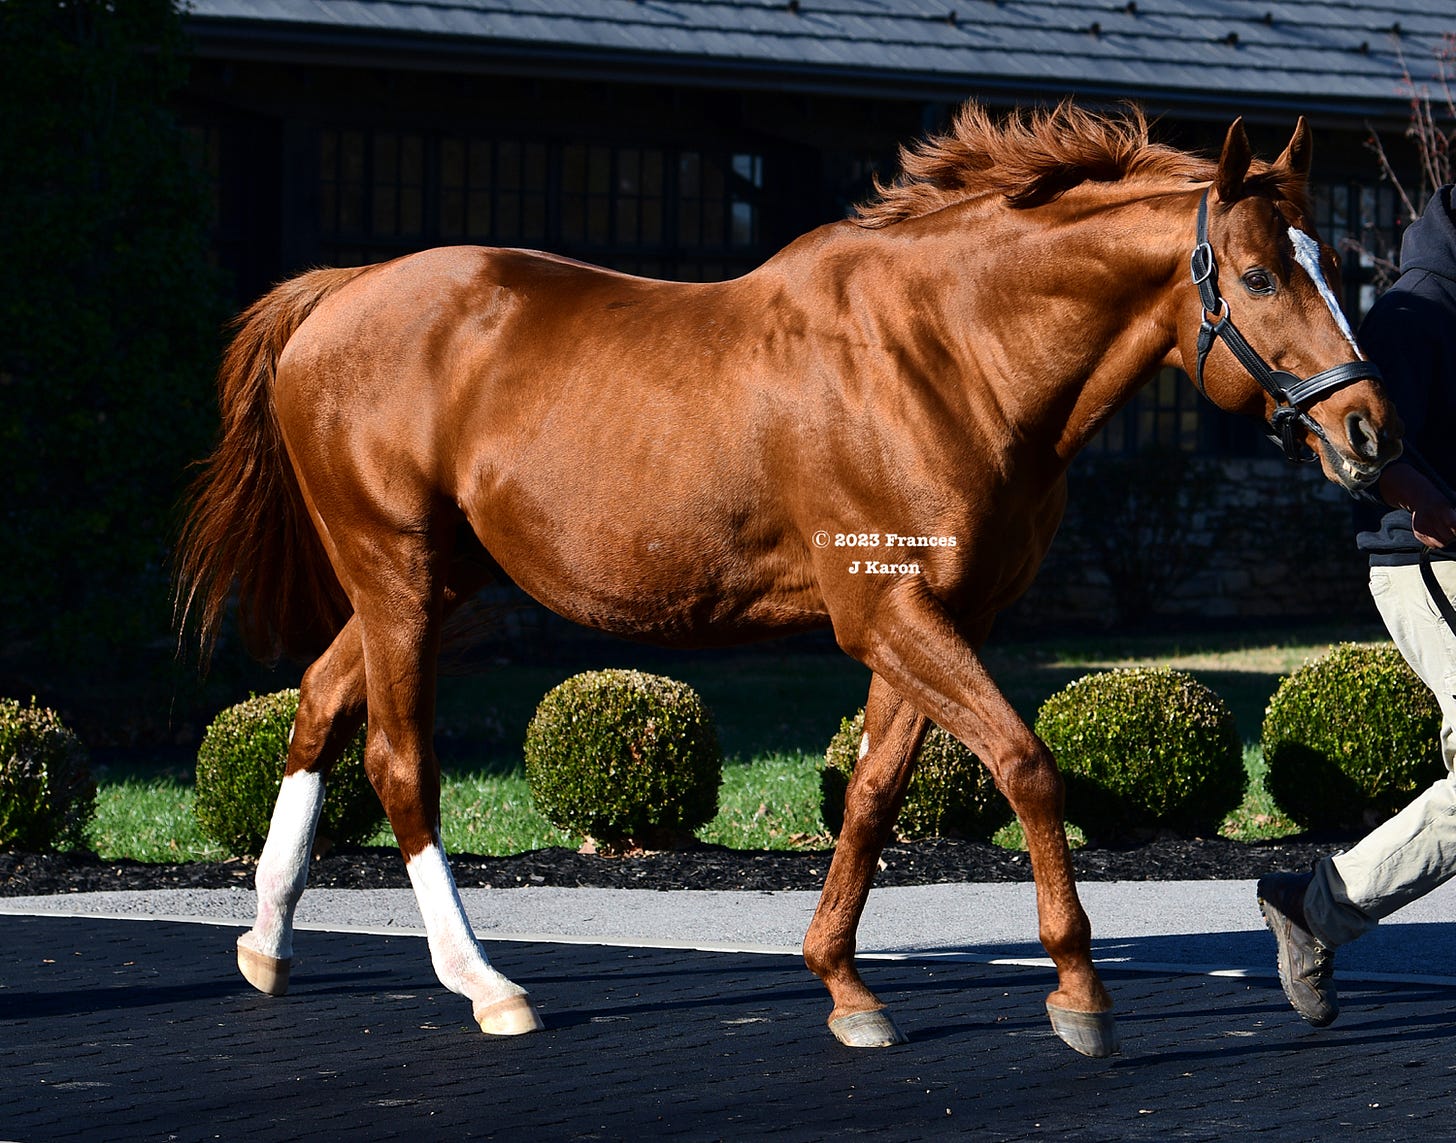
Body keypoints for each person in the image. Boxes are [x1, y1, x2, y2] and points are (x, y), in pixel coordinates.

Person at [1257, 184, 1456, 1027]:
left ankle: (1313, 911)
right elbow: (1350, 450)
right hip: (1428, 560)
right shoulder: (1412, 314)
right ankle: (1317, 907)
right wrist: (1436, 507)